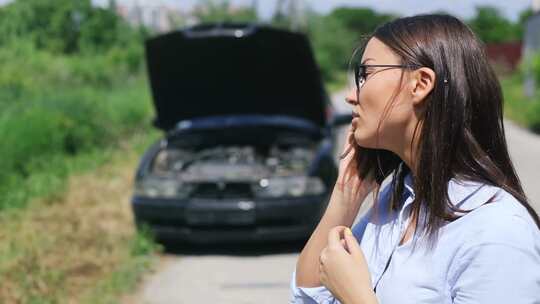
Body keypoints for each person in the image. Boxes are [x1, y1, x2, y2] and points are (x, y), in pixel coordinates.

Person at [290, 14, 540, 304]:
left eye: (365, 74)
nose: (350, 95)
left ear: (420, 83)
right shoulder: (396, 203)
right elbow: (307, 298)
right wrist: (346, 196)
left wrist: (357, 298)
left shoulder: (497, 231)